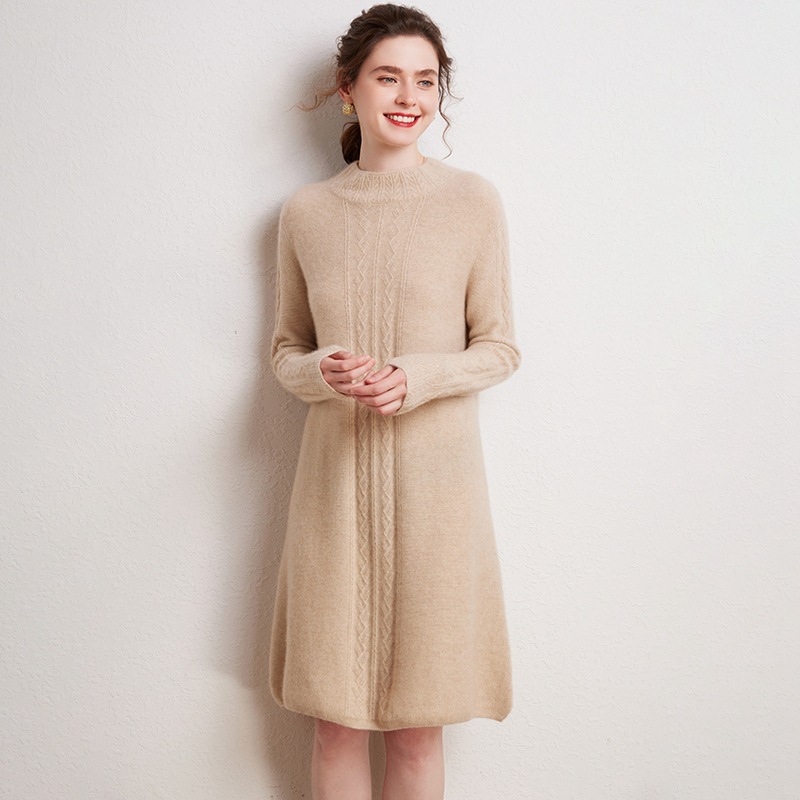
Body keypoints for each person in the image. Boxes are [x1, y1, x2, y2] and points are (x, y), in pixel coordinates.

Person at [268, 4, 521, 798]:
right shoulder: (305, 213)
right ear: (348, 89)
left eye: (425, 80)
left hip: (437, 500)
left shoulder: (473, 202)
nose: (409, 97)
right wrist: (325, 372)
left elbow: (500, 348)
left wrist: (418, 377)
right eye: (388, 77)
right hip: (332, 497)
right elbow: (284, 353)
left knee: (417, 727)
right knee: (334, 721)